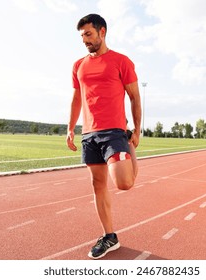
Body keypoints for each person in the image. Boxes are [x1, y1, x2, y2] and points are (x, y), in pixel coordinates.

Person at [66, 14, 142, 259]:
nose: (85, 40)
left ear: (102, 31)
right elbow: (77, 99)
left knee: (124, 183)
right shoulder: (78, 65)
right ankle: (109, 236)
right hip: (89, 134)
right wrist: (70, 128)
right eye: (82, 36)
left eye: (89, 34)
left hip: (114, 132)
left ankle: (131, 149)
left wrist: (137, 130)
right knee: (97, 185)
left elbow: (134, 97)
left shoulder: (121, 61)